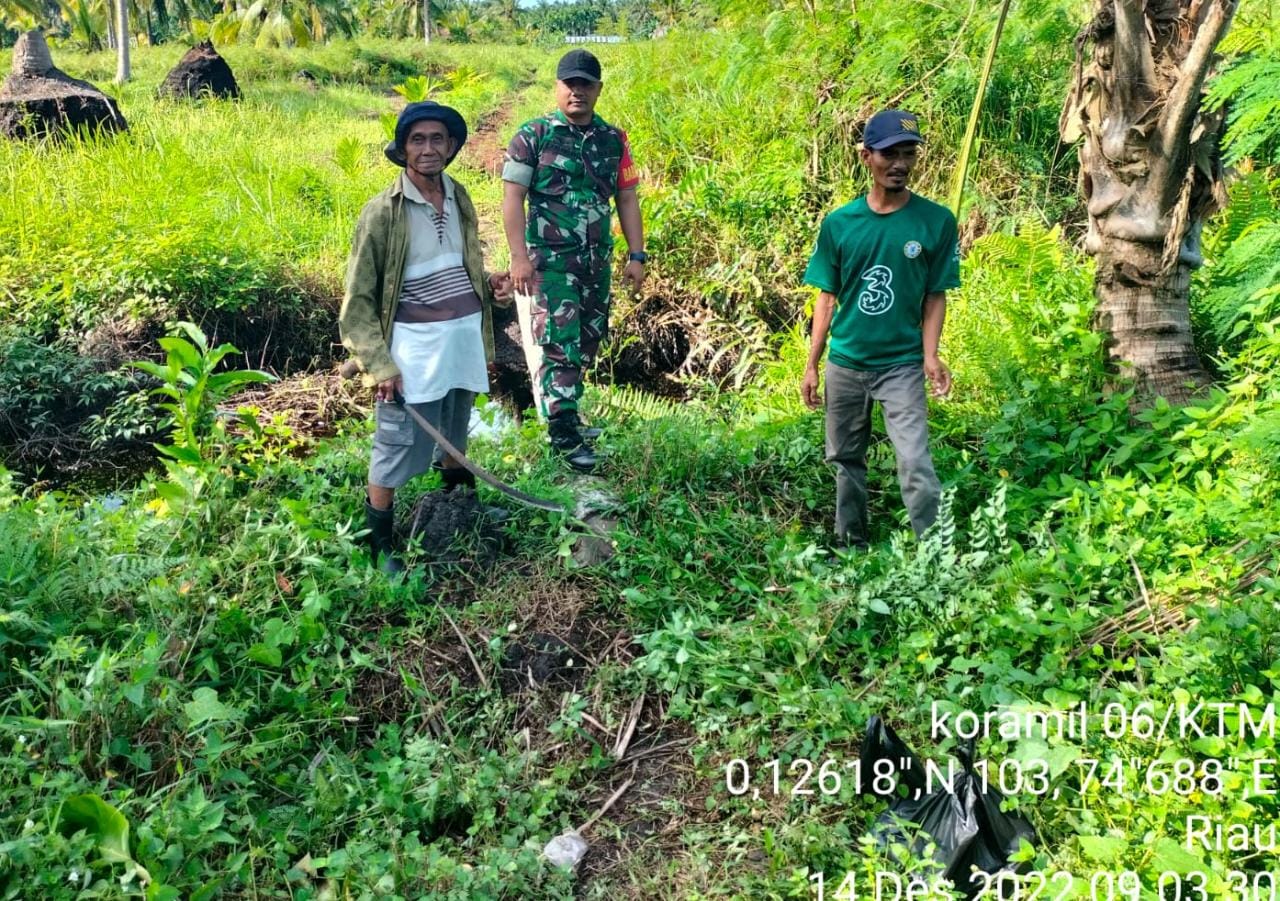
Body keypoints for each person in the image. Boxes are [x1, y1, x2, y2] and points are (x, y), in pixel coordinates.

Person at [340, 101, 513, 573]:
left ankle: (460, 513)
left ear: (453, 146)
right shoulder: (382, 212)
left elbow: (462, 265)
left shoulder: (459, 196)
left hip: (460, 344)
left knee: (455, 431)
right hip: (412, 351)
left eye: (438, 139)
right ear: (403, 149)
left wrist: (492, 288)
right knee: (396, 446)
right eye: (418, 140)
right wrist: (379, 363)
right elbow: (357, 300)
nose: (429, 149)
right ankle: (378, 545)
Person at [801, 109, 960, 550]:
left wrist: (930, 355)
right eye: (890, 153)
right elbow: (826, 298)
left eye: (908, 154)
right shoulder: (840, 224)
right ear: (866, 156)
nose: (901, 164)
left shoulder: (935, 222)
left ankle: (935, 553)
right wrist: (812, 365)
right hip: (846, 364)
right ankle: (851, 544)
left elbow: (935, 295)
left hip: (902, 365)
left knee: (914, 460)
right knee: (846, 459)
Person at [501, 48, 646, 473]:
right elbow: (513, 199)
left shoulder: (613, 139)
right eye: (570, 83)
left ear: (598, 89)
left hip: (597, 262)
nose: (577, 91)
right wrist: (518, 258)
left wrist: (637, 254)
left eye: (586, 84)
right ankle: (562, 432)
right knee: (558, 342)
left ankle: (570, 415)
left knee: (588, 340)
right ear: (557, 87)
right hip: (551, 263)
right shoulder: (534, 135)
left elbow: (626, 197)